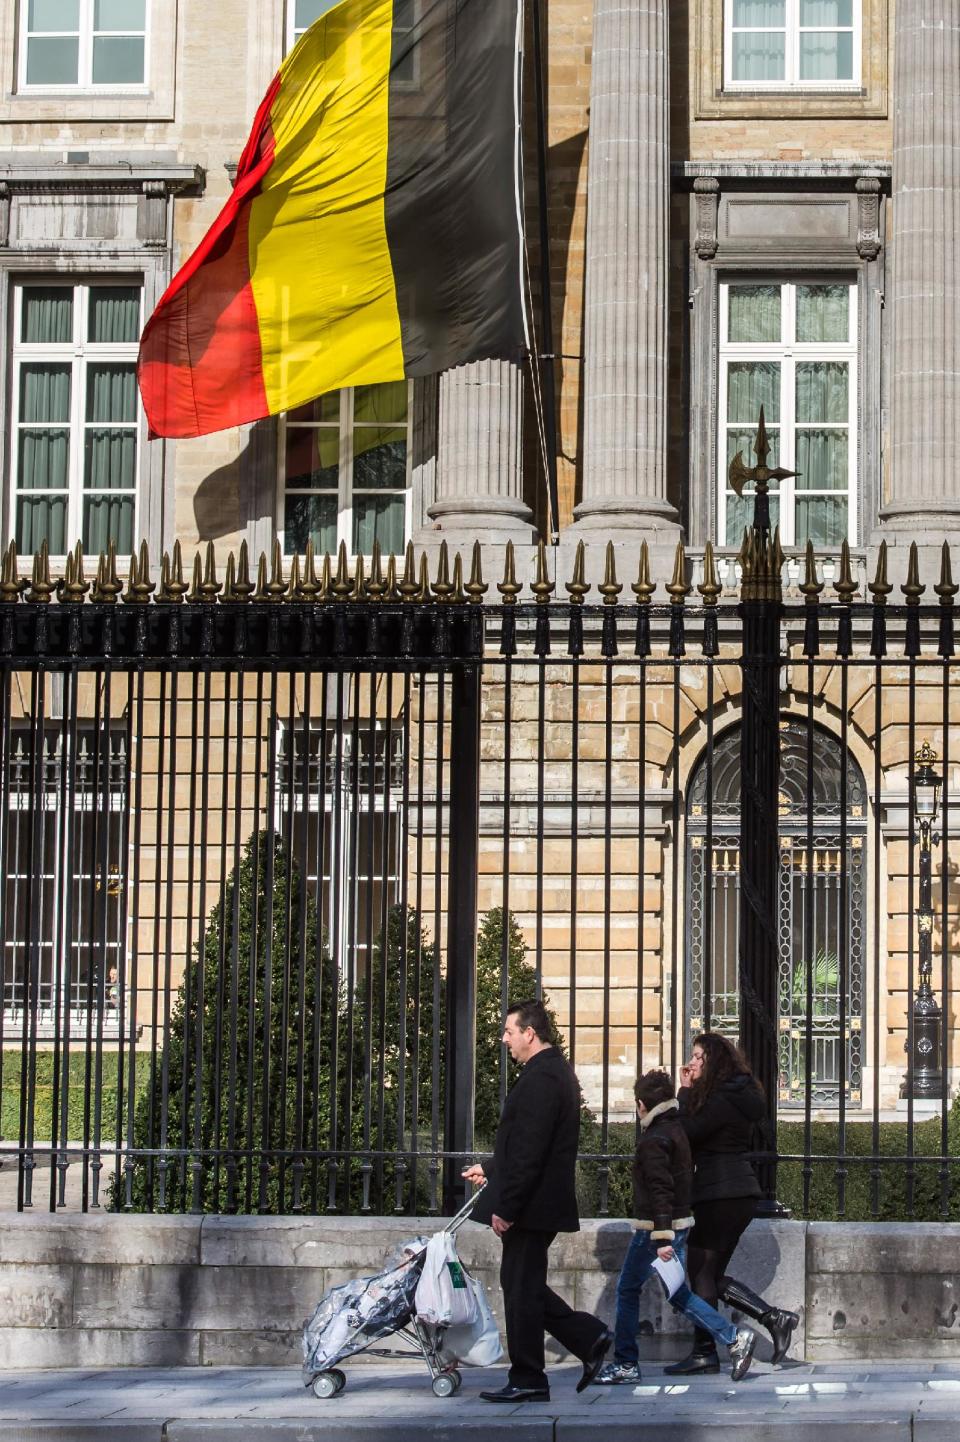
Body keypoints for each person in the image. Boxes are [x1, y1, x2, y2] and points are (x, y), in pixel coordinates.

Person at [462, 999, 612, 1403]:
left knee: (521, 1287)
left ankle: (529, 1376)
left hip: (531, 1207)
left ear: (530, 1033)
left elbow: (531, 1150)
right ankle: (588, 1337)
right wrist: (491, 1169)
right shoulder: (547, 1073)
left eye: (510, 1031)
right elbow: (525, 1145)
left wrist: (507, 1208)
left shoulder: (543, 1078)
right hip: (535, 1202)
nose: (505, 1039)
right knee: (520, 1284)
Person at [594, 1070, 756, 1385]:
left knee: (628, 1290)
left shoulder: (652, 1140)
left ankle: (626, 1362)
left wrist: (663, 1236)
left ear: (641, 1105)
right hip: (678, 1225)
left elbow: (660, 1190)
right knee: (679, 1293)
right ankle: (734, 1338)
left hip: (655, 1231)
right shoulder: (676, 1131)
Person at [665, 1032, 799, 1376]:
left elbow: (686, 1134)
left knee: (699, 1273)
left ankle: (705, 1351)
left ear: (712, 1061)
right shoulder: (736, 1093)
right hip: (736, 1190)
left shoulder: (719, 1099)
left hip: (719, 1190)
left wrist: (683, 1092)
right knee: (709, 1273)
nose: (691, 1062)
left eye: (697, 1057)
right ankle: (773, 1318)